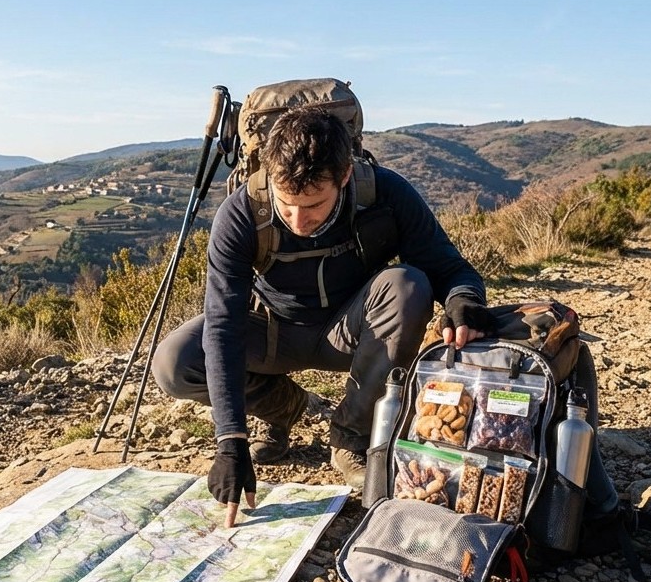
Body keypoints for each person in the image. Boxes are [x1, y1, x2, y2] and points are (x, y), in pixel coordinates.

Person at [151, 105, 496, 526]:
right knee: (175, 362)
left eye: (314, 204)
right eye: (286, 205)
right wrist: (230, 440)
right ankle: (281, 408)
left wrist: (463, 300)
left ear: (344, 175)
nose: (299, 220)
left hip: (353, 331)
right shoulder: (242, 212)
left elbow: (448, 267)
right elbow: (222, 325)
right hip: (272, 332)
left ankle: (351, 435)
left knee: (408, 284)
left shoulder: (385, 193)